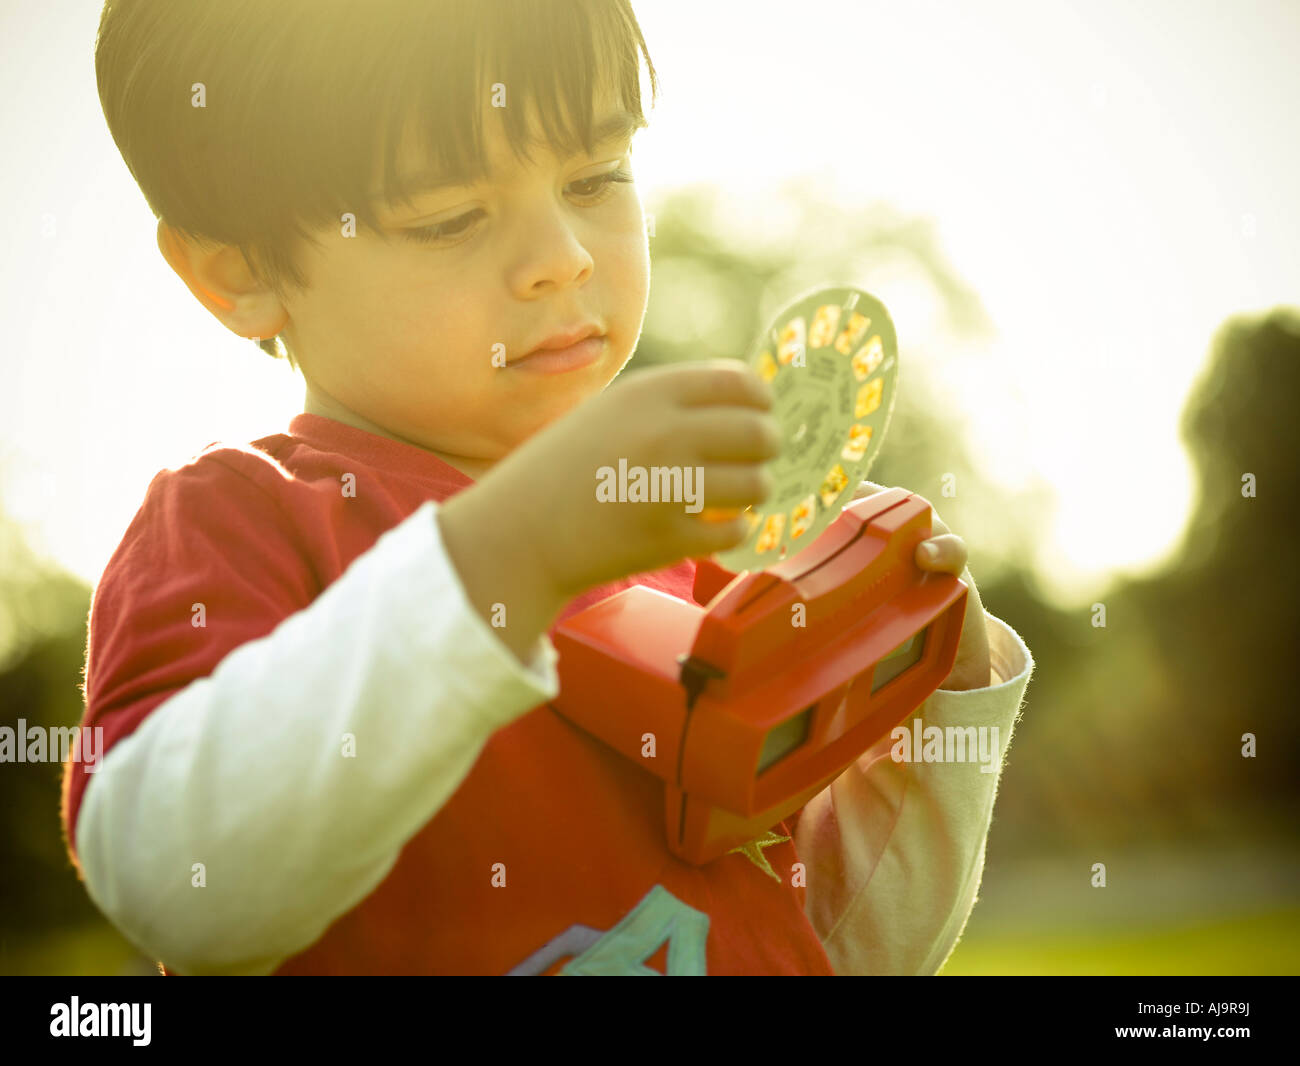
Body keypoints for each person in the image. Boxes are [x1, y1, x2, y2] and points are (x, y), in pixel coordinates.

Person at [61, 0, 1034, 975]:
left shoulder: (688, 557)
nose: (563, 255)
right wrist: (512, 554)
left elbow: (811, 946)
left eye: (595, 175)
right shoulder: (238, 525)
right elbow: (172, 882)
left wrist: (932, 701)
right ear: (240, 273)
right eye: (449, 216)